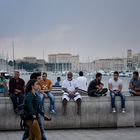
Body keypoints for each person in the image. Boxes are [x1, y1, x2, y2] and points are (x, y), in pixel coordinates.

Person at [22, 72, 50, 140]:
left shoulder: (35, 94)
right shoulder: (29, 95)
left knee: (31, 136)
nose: (39, 84)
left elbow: (37, 107)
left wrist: (43, 115)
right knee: (39, 135)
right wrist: (34, 118)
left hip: (34, 117)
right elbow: (30, 107)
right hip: (31, 118)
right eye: (37, 83)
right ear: (32, 86)